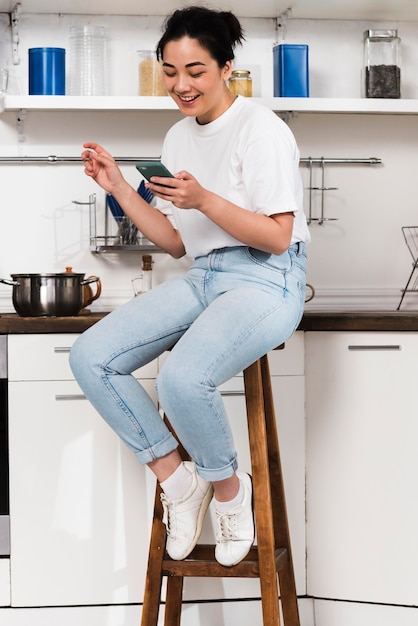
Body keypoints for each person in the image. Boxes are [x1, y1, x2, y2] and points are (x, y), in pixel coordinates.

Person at [69, 5, 310, 568]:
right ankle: (179, 484)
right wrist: (122, 190)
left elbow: (278, 237)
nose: (181, 85)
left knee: (183, 377)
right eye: (170, 71)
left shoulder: (263, 129)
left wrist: (205, 199)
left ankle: (229, 492)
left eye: (196, 71)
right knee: (92, 356)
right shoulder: (177, 136)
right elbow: (177, 242)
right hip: (204, 275)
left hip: (266, 277)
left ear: (227, 67)